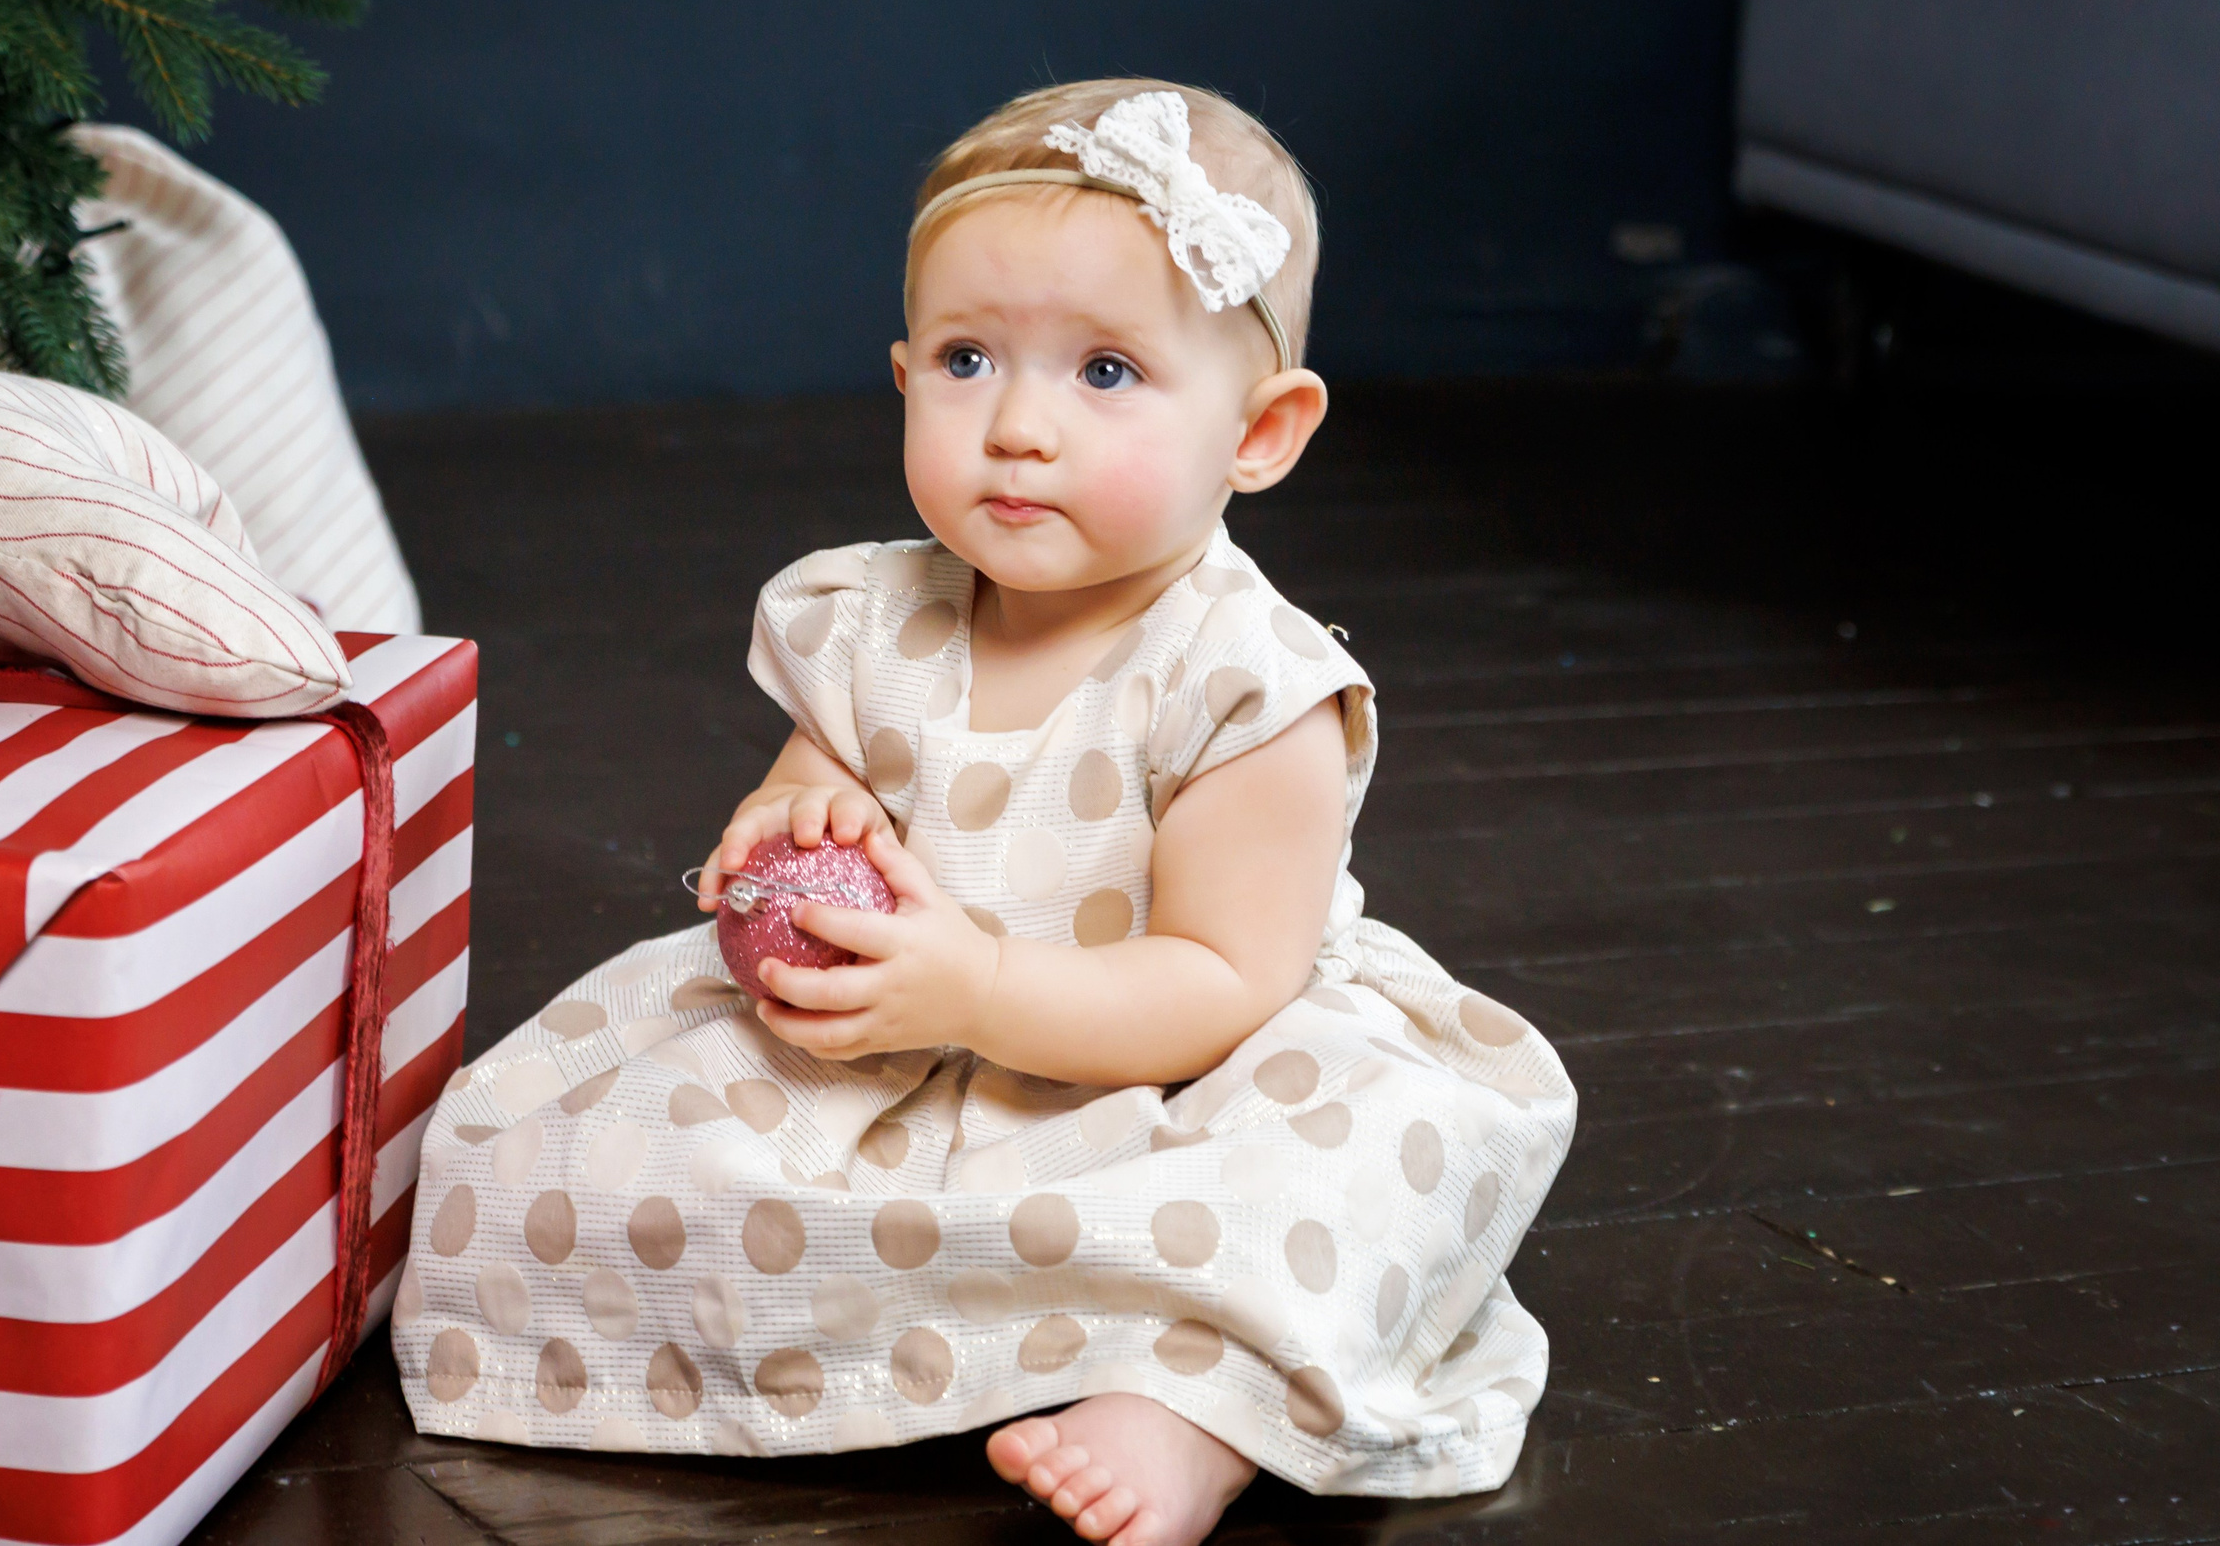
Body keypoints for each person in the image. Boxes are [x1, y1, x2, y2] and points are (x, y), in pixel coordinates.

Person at [396, 80, 1576, 1546]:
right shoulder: (868, 612)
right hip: (916, 1046)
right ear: (902, 376)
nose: (1017, 427)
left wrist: (987, 987)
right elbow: (810, 771)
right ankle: (837, 1335)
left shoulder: (1246, 686)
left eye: (1105, 374)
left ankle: (1194, 1403)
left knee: (1361, 1154)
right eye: (967, 359)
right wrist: (795, 819)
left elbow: (1221, 983)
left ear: (1259, 431)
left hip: (1183, 1068)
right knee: (583, 1144)